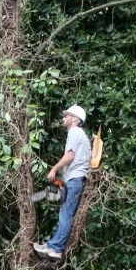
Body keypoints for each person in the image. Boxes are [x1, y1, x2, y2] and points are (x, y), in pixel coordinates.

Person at [33, 105, 91, 260]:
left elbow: (70, 156)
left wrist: (53, 169)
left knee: (65, 215)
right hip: (73, 179)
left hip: (75, 180)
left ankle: (56, 248)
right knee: (63, 213)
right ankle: (52, 244)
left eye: (67, 115)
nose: (63, 118)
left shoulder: (74, 132)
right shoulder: (80, 134)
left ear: (74, 119)